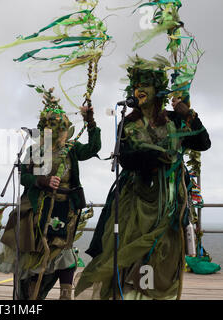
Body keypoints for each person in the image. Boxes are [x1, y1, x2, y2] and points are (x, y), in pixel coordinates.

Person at [75, 56, 211, 300]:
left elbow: (203, 143)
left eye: (145, 84)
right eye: (136, 84)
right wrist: (154, 156)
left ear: (157, 89)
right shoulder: (127, 122)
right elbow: (125, 159)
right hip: (134, 201)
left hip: (169, 203)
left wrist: (188, 113)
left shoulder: (175, 119)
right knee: (130, 252)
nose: (139, 89)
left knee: (164, 254)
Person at [0, 86, 101, 300]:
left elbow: (93, 148)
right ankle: (31, 294)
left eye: (58, 127)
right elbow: (23, 177)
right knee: (37, 252)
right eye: (49, 127)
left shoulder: (71, 148)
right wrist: (41, 181)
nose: (54, 131)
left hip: (66, 209)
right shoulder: (34, 151)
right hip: (38, 208)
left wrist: (90, 122)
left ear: (65, 128)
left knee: (64, 250)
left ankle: (66, 294)